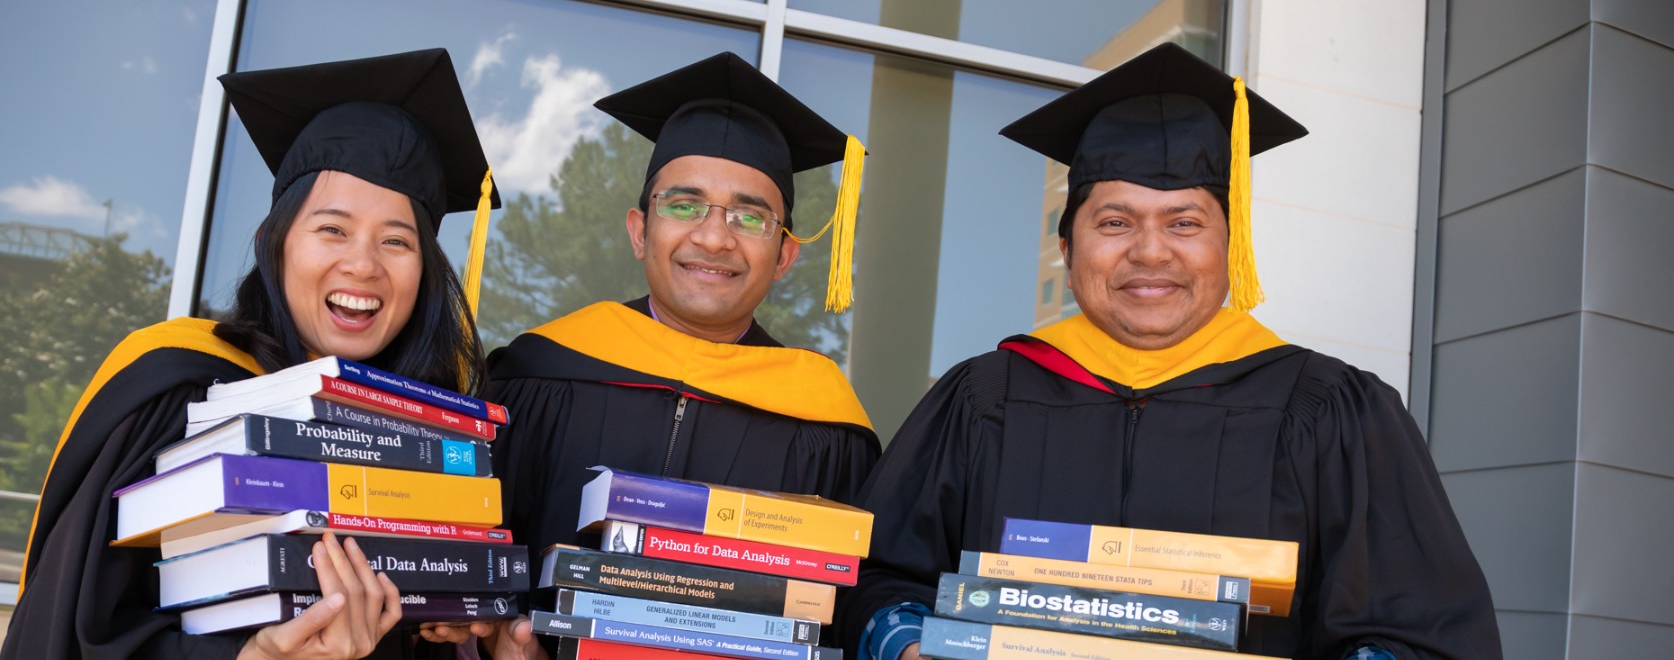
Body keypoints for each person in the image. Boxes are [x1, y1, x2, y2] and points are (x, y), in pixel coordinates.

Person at [839, 43, 1501, 660]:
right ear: (1068, 252)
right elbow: (877, 577)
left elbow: (1418, 627)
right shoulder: (986, 398)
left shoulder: (1332, 412)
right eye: (1114, 222)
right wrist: (906, 643)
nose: (1151, 252)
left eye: (1185, 223)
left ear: (1231, 249)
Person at [1, 48, 501, 659]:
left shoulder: (429, 437)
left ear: (424, 271)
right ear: (276, 242)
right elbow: (75, 628)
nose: (363, 265)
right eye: (332, 229)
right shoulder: (180, 387)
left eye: (397, 241)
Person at [464, 52, 881, 659]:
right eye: (684, 205)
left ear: (786, 256)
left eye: (750, 217)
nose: (714, 236)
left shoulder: (825, 424)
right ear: (639, 230)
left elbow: (843, 613)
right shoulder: (537, 375)